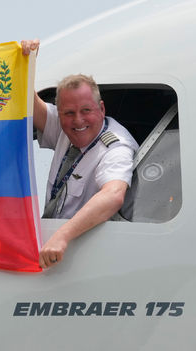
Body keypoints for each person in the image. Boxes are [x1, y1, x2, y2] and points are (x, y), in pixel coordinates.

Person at [21, 39, 139, 269]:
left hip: (84, 254)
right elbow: (30, 101)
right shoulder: (64, 127)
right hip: (51, 247)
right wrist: (26, 61)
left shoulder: (116, 147)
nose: (78, 121)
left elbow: (113, 194)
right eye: (69, 113)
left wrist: (62, 236)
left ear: (101, 109)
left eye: (86, 110)